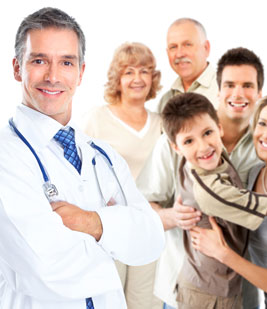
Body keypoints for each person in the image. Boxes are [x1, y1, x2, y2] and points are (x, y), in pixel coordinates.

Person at [0, 7, 164, 309]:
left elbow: (151, 241)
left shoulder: (103, 155)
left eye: (66, 62)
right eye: (39, 60)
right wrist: (119, 236)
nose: (53, 76)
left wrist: (90, 222)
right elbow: (46, 268)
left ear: (81, 72)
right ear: (17, 68)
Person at [160, 92, 267, 309]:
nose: (203, 146)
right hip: (211, 293)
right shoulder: (250, 176)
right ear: (176, 148)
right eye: (262, 123)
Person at [137, 47, 265, 308]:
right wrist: (172, 216)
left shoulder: (266, 147)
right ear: (218, 91)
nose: (238, 94)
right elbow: (140, 210)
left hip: (243, 291)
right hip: (184, 291)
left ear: (259, 93)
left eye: (247, 85)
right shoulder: (172, 143)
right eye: (230, 85)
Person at [82, 42, 162, 309]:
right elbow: (79, 170)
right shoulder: (97, 118)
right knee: (109, 300)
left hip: (148, 224)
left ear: (153, 78)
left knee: (144, 302)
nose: (137, 78)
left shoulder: (162, 123)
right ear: (117, 79)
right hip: (110, 226)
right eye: (128, 72)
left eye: (144, 71)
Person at [159, 18, 218, 114]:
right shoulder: (165, 101)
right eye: (173, 47)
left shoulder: (227, 90)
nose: (179, 54)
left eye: (187, 45)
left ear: (206, 48)